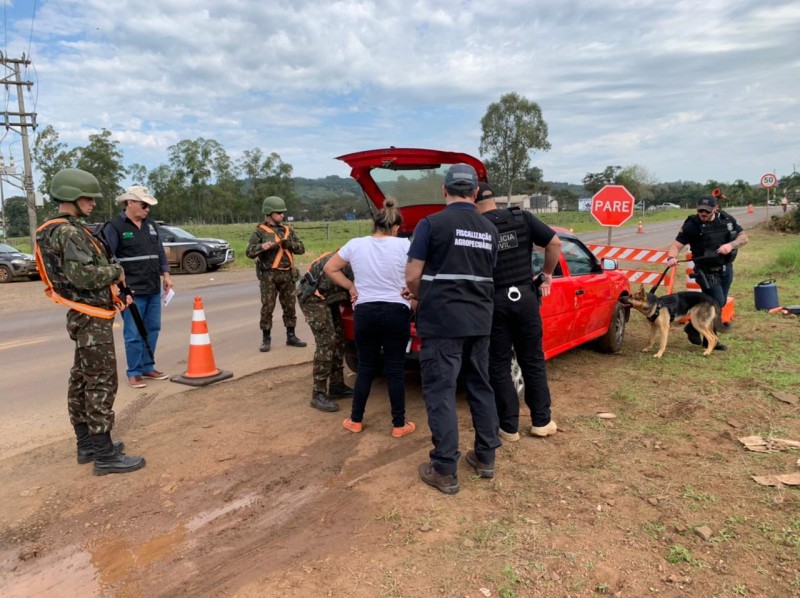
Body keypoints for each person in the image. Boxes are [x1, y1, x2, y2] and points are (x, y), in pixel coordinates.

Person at [35, 168, 146, 476]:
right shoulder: (69, 232)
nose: (93, 203)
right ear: (71, 195)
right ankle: (104, 455)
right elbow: (82, 276)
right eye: (88, 197)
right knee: (100, 381)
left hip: (84, 313)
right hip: (91, 315)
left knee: (82, 379)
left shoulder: (61, 228)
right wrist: (115, 272)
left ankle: (87, 445)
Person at [405, 164, 500, 495]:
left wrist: (422, 298)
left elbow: (413, 276)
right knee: (480, 386)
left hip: (442, 322)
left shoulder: (430, 224)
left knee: (441, 392)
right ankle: (485, 458)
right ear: (475, 193)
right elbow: (488, 275)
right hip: (480, 321)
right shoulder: (490, 230)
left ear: (444, 191)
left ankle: (445, 469)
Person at [474, 182, 562, 441]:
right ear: (494, 198)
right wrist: (546, 274)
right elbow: (554, 243)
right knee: (532, 359)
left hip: (494, 300)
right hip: (525, 296)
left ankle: (509, 427)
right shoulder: (521, 217)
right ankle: (542, 422)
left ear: (474, 200)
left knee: (498, 364)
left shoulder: (476, 228)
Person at [324, 198, 416, 438]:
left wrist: (350, 286)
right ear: (396, 227)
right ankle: (399, 425)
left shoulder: (355, 244)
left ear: (374, 224)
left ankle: (355, 420)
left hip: (364, 312)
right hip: (396, 311)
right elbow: (421, 273)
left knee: (365, 369)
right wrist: (412, 291)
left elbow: (330, 268)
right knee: (395, 370)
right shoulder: (406, 246)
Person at [102, 186, 173, 389]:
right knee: (133, 334)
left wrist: (166, 275)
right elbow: (108, 259)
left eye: (149, 205)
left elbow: (159, 252)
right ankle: (133, 372)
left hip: (153, 287)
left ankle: (147, 366)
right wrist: (117, 288)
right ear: (130, 202)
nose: (147, 209)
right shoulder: (114, 226)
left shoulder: (150, 225)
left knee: (152, 328)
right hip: (131, 291)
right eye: (144, 204)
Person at [666, 195, 748, 348]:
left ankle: (692, 327)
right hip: (706, 270)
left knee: (720, 302)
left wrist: (731, 245)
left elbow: (744, 237)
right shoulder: (692, 224)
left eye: (707, 211)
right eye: (700, 210)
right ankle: (711, 341)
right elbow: (676, 246)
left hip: (726, 268)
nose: (703, 213)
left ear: (715, 209)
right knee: (715, 302)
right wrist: (671, 257)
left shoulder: (726, 219)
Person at [246, 196, 307, 352]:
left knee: (290, 306)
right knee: (268, 307)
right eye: (279, 212)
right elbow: (249, 252)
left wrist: (289, 244)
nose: (282, 215)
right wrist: (263, 247)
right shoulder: (259, 231)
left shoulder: (287, 230)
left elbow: (301, 248)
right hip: (269, 275)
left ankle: (291, 336)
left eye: (282, 213)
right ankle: (266, 339)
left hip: (287, 274)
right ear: (269, 213)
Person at [297, 251, 355, 413]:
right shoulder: (355, 261)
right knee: (327, 342)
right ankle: (318, 393)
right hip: (313, 297)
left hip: (330, 297)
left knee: (339, 339)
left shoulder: (361, 257)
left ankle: (336, 386)